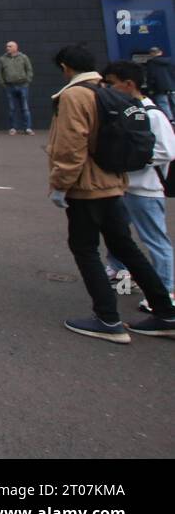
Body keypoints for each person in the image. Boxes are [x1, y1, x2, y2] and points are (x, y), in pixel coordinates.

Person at [47, 44, 175, 341]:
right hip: (115, 182)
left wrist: (60, 184)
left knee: (85, 249)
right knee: (125, 246)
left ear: (66, 67)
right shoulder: (109, 92)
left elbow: (71, 145)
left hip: (87, 187)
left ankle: (107, 318)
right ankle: (166, 312)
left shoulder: (74, 95)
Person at [100, 61, 175, 307]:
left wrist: (131, 158)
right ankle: (119, 269)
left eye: (111, 84)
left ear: (128, 84)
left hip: (146, 189)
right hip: (123, 186)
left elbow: (167, 151)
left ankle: (167, 292)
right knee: (117, 233)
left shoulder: (153, 115)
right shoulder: (124, 110)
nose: (107, 89)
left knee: (154, 239)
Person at [0, 40, 34, 135]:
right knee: (11, 108)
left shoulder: (23, 57)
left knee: (25, 108)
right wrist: (3, 84)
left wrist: (28, 81)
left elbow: (29, 70)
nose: (7, 48)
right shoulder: (2, 59)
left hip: (23, 86)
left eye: (10, 46)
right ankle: (13, 128)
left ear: (15, 47)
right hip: (9, 87)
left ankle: (27, 128)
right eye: (7, 46)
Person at [146, 47, 175, 122]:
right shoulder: (170, 61)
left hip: (159, 87)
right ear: (161, 52)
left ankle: (170, 120)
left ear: (151, 53)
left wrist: (150, 88)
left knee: (163, 104)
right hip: (172, 86)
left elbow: (151, 76)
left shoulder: (151, 63)